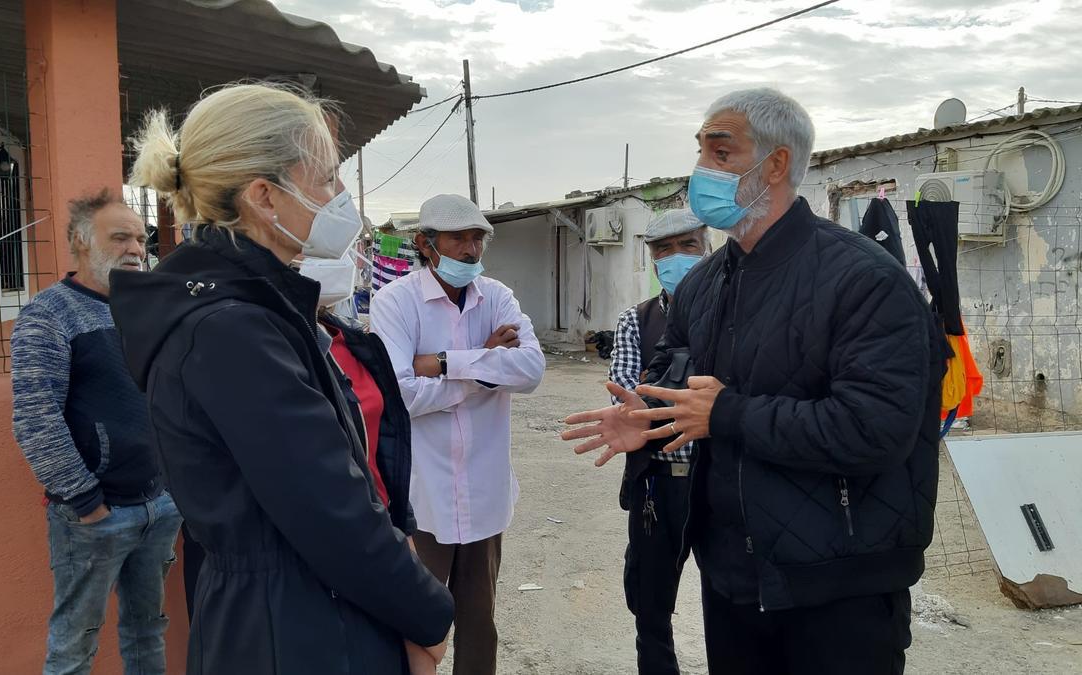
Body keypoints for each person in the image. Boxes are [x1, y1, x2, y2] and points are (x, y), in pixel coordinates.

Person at [561, 88, 942, 675]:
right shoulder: (703, 284)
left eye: (720, 153)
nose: (701, 171)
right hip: (734, 580)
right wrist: (646, 415)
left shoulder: (865, 281)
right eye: (701, 153)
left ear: (776, 163)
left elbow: (877, 429)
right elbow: (672, 381)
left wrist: (728, 414)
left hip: (840, 587)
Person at [108, 83, 454, 674]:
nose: (341, 196)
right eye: (326, 179)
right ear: (265, 197)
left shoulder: (254, 308)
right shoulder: (231, 330)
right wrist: (430, 615)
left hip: (302, 611)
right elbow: (328, 505)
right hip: (295, 630)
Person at [369, 194, 547, 675]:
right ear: (427, 244)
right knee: (418, 621)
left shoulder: (498, 296)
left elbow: (531, 370)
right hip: (425, 496)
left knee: (479, 621)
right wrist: (485, 362)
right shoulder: (395, 302)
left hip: (485, 492)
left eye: (477, 238)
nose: (471, 249)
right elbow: (400, 393)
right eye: (458, 238)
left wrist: (445, 362)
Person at [10, 189, 183, 675]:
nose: (136, 249)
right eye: (121, 237)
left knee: (148, 630)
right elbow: (35, 418)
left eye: (141, 239)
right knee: (74, 643)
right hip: (94, 514)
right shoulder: (49, 315)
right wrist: (87, 501)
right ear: (81, 243)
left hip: (160, 503)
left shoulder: (146, 311)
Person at [607, 207, 709, 675]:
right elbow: (630, 404)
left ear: (707, 246)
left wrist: (659, 400)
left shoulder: (733, 313)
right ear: (652, 261)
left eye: (687, 245)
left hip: (719, 479)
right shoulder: (636, 321)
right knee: (651, 603)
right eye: (664, 250)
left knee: (735, 597)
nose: (676, 257)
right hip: (658, 481)